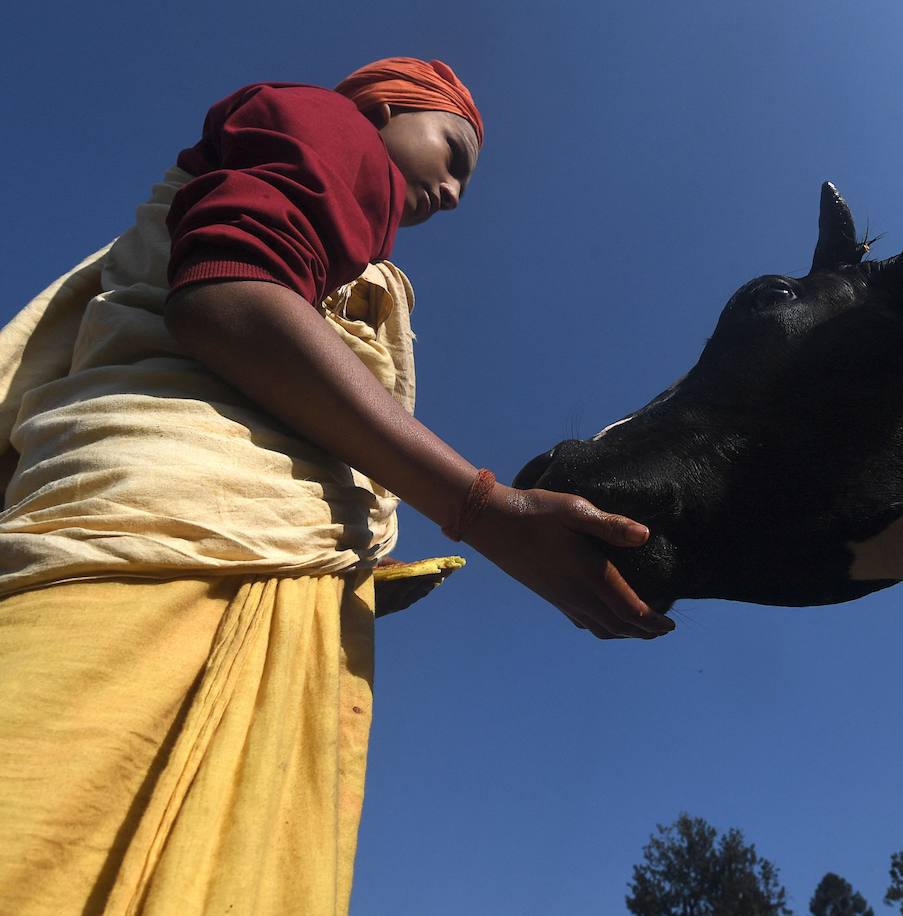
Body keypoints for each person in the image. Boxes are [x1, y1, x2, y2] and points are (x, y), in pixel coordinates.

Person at [0, 57, 672, 914]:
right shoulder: (329, 124)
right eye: (453, 153)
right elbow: (229, 294)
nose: (458, 194)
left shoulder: (350, 245)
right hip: (161, 538)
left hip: (204, 549)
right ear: (388, 107)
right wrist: (487, 511)